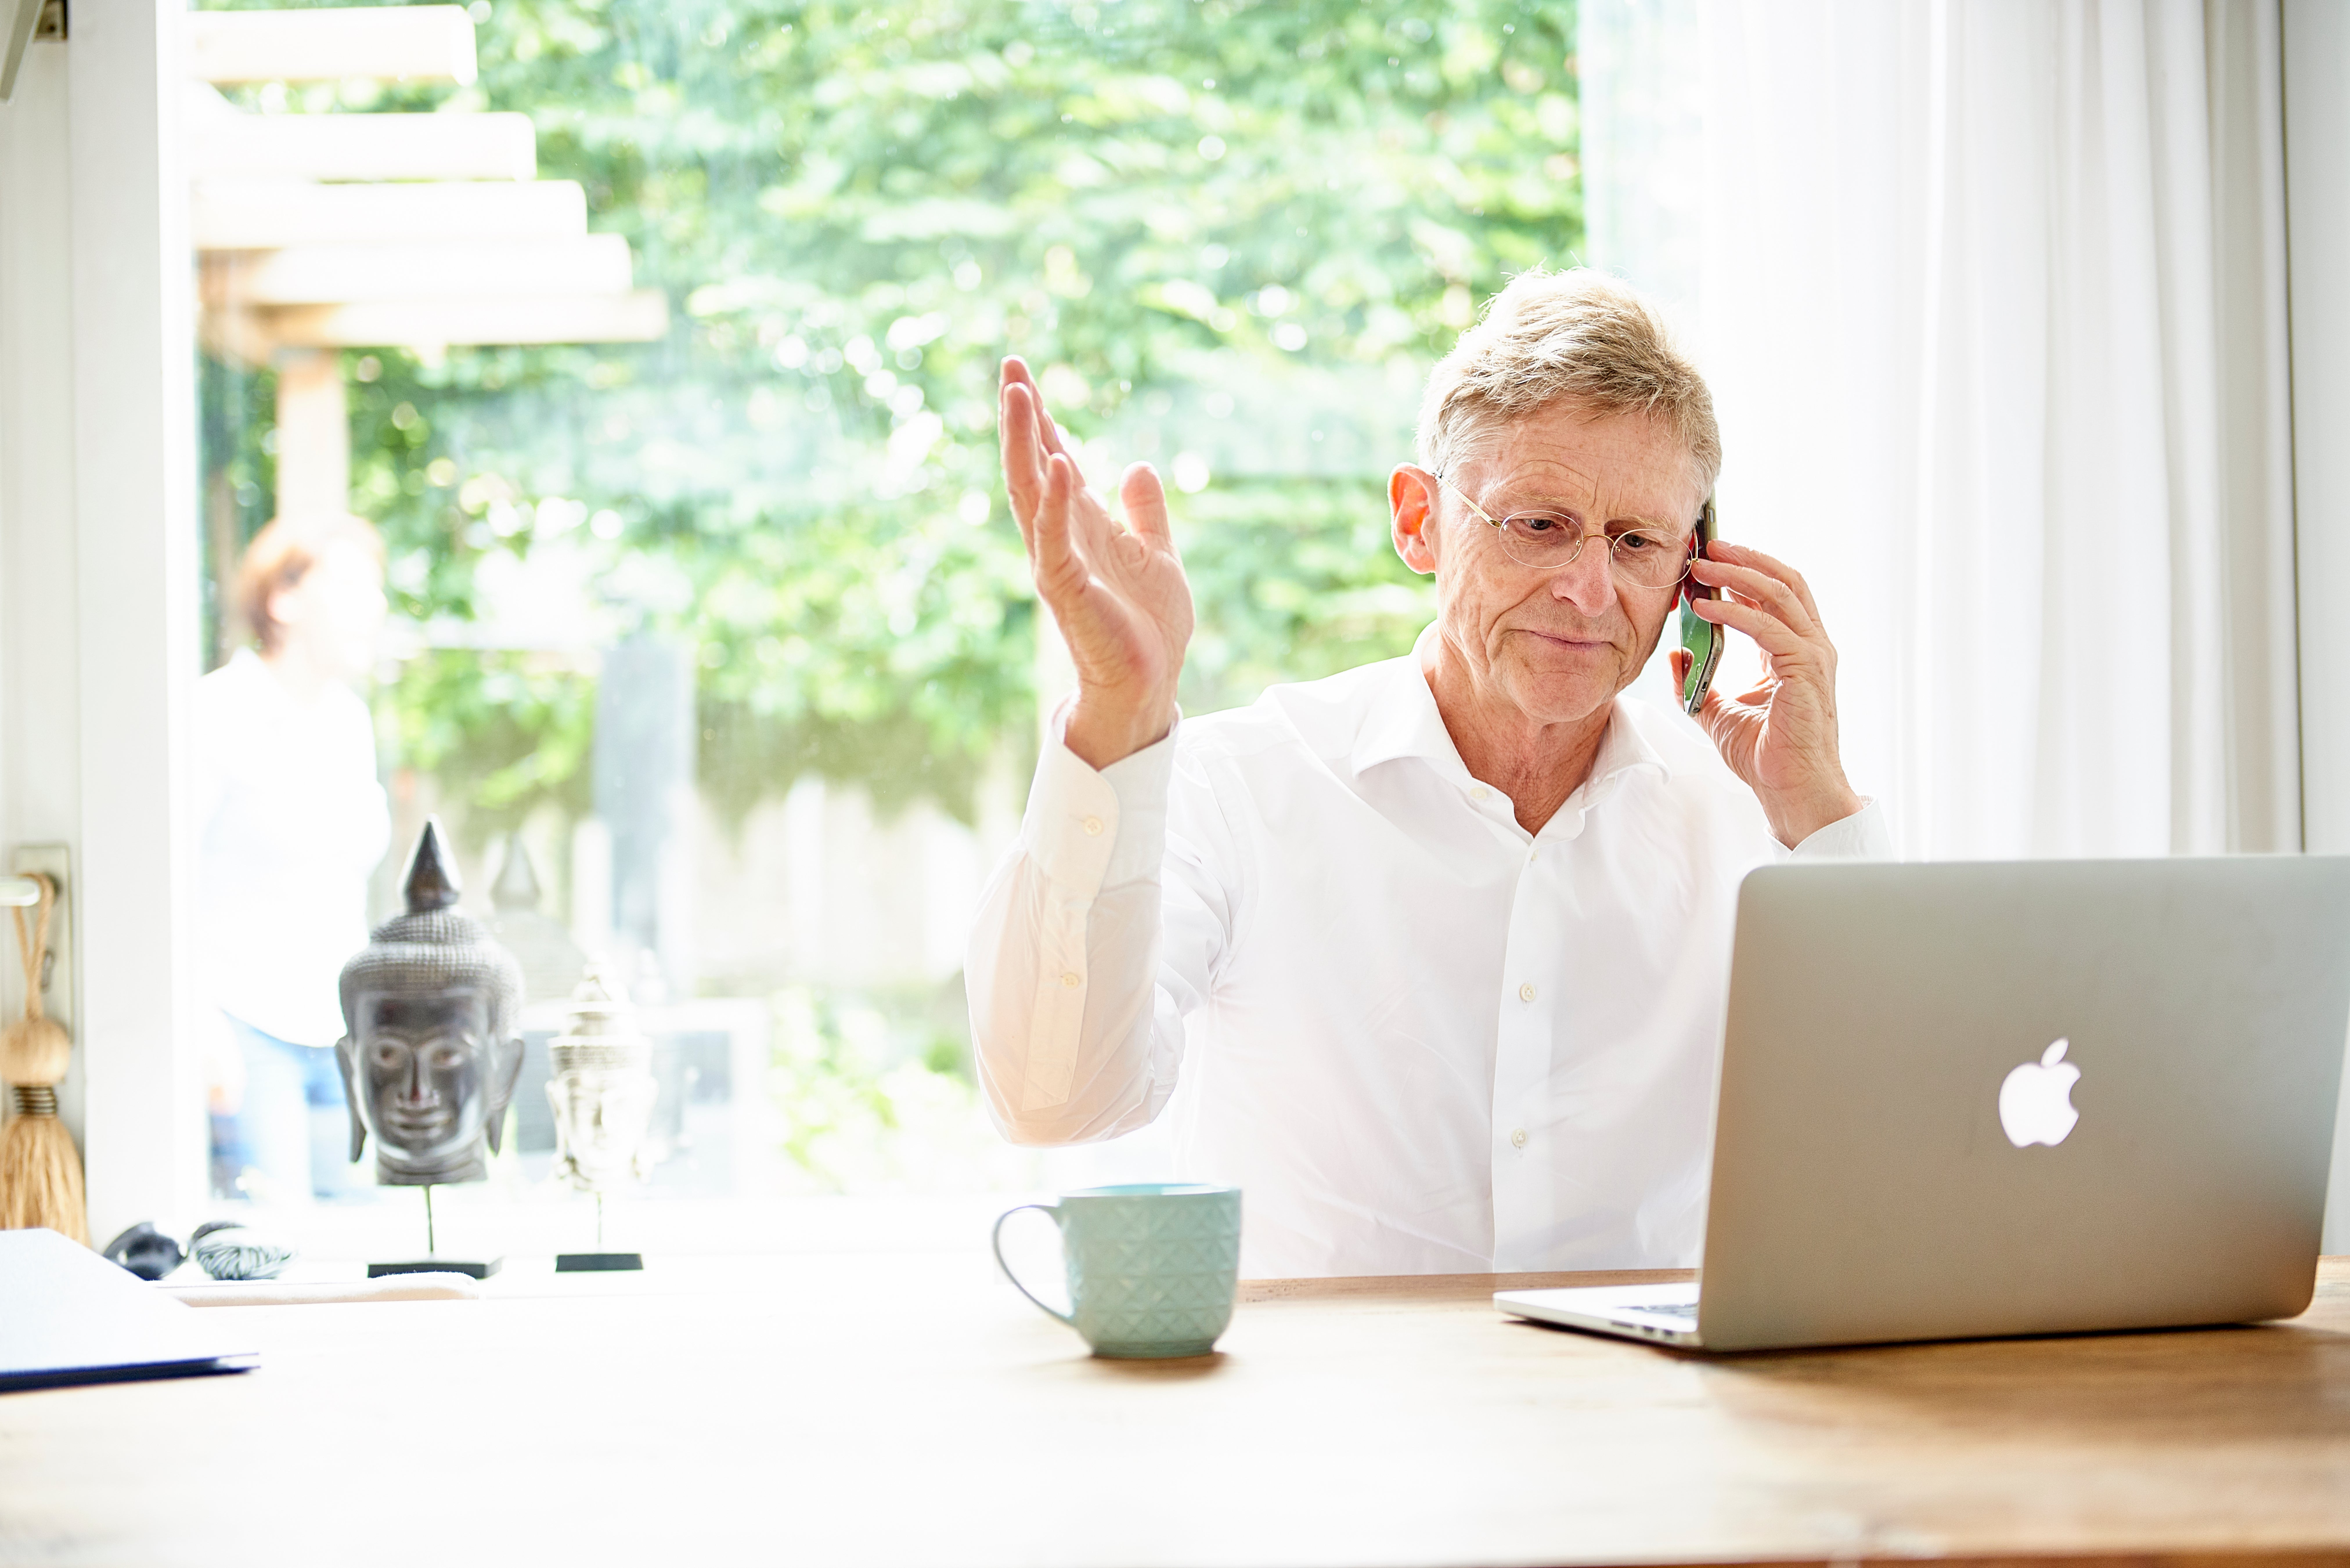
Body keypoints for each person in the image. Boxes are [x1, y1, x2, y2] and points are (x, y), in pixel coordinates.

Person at [967, 270, 1891, 1278]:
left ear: (1692, 571)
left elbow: (1898, 1157)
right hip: (1330, 1420)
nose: (1588, 590)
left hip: (1655, 1419)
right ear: (1419, 520)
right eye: (1536, 523)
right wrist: (1117, 721)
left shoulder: (1750, 816)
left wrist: (1821, 814)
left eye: (1635, 542)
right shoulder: (1241, 785)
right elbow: (1052, 1098)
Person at [197, 513, 392, 1204]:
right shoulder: (215, 713)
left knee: (360, 1246)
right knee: (276, 1255)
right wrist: (198, 1021)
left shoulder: (349, 722)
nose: (374, 604)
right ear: (282, 600)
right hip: (247, 1030)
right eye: (348, 584)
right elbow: (163, 879)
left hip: (338, 1032)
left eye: (376, 587)